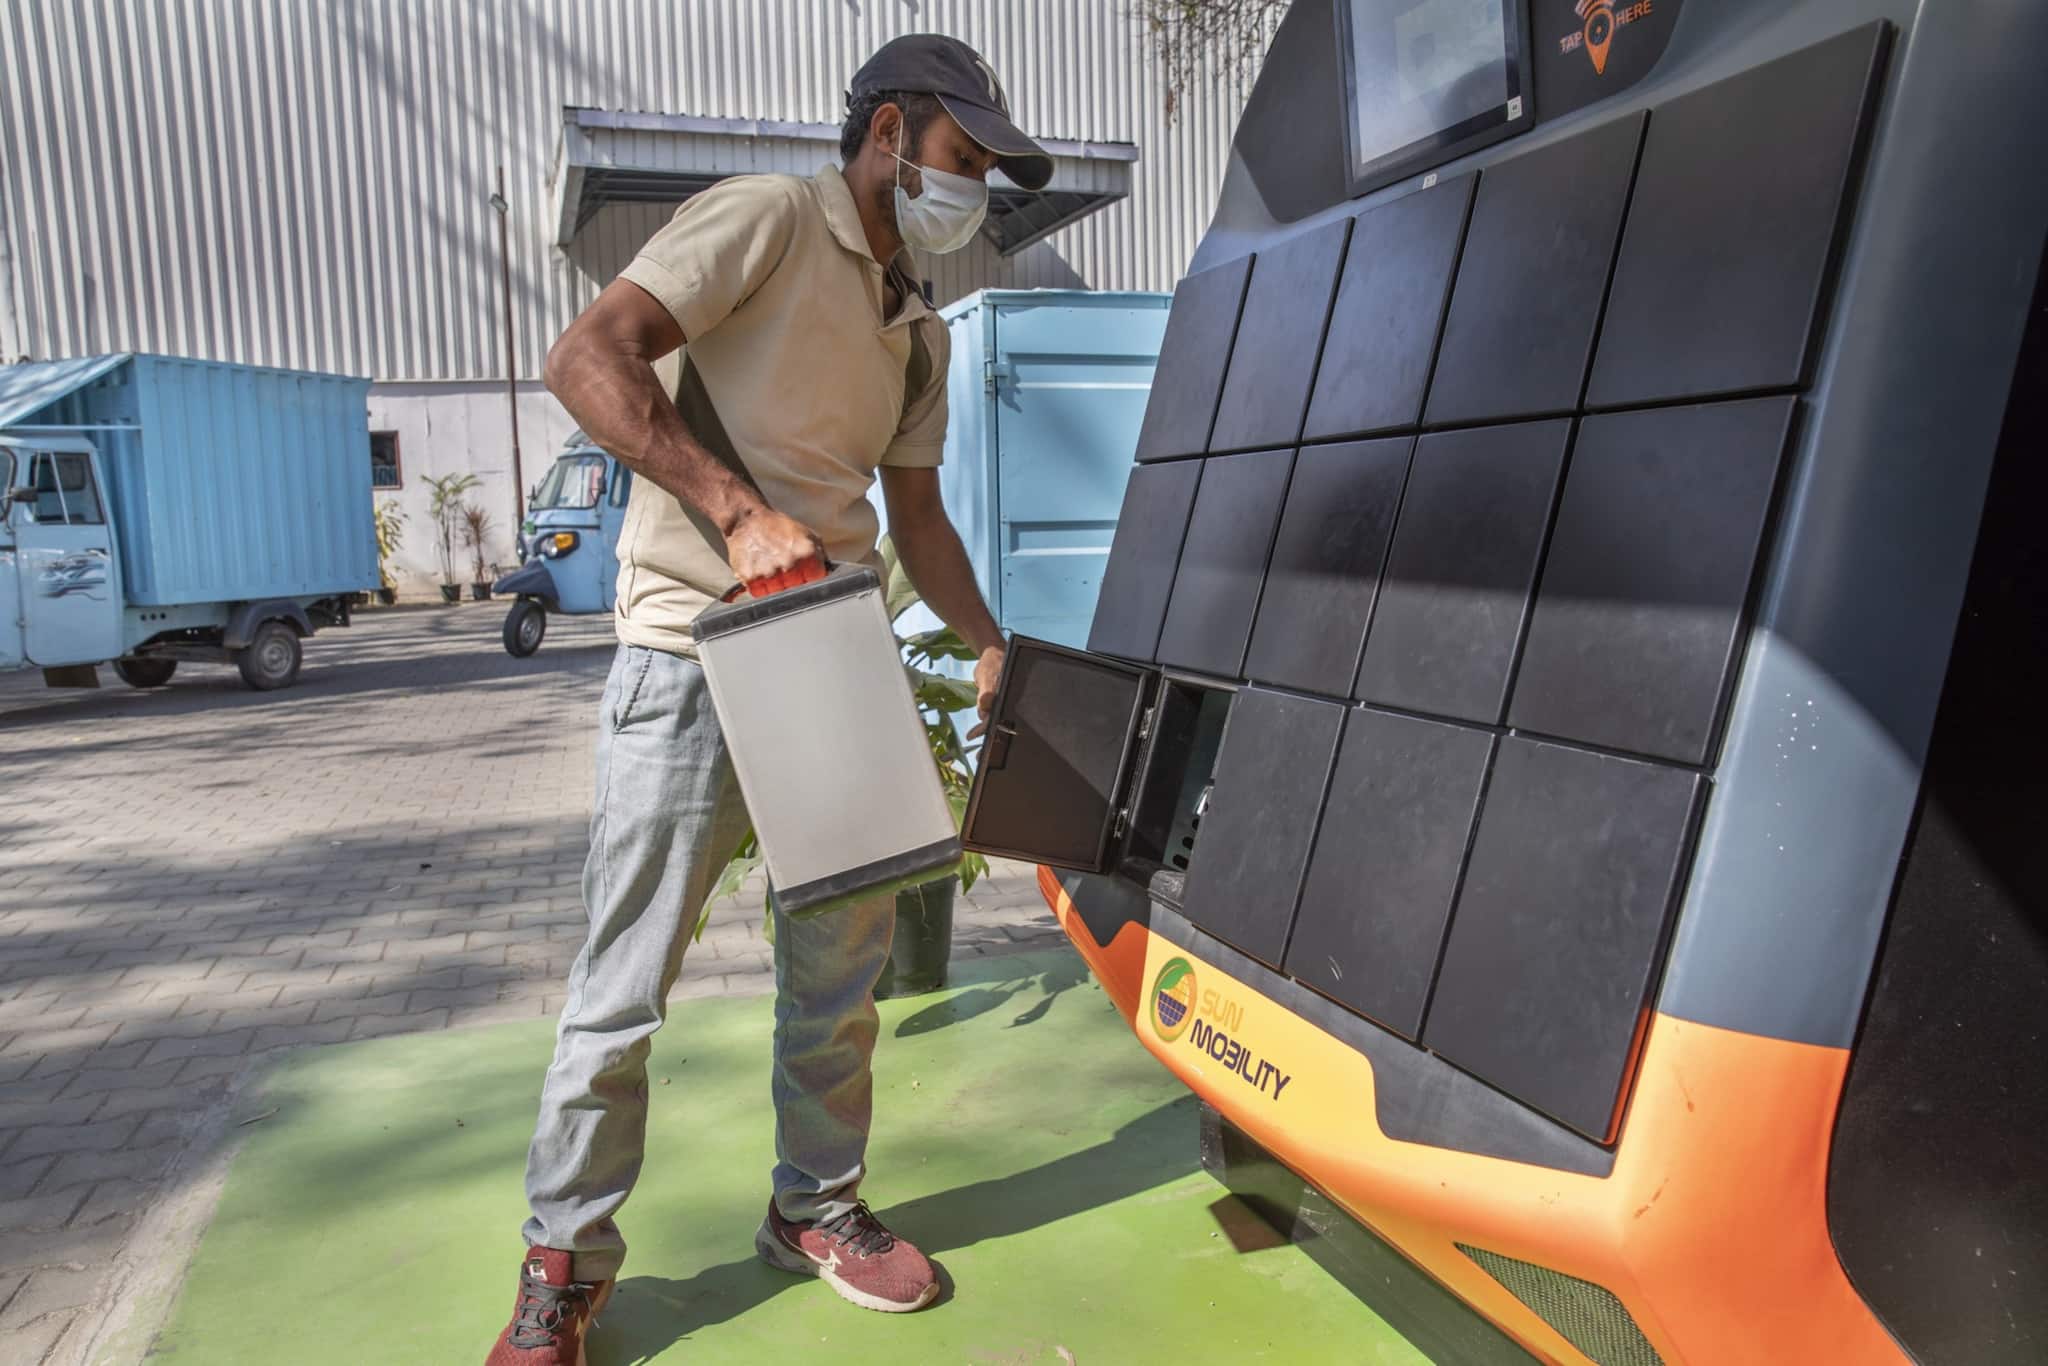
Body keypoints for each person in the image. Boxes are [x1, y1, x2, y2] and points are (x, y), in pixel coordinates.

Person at [482, 33, 1053, 1365]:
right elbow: (587, 356)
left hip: (836, 662)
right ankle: (562, 1265)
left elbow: (916, 512)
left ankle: (816, 1209)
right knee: (624, 985)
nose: (970, 195)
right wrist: (733, 508)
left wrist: (985, 638)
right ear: (894, 133)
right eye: (962, 162)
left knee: (841, 977)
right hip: (692, 647)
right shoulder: (768, 219)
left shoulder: (915, 327)